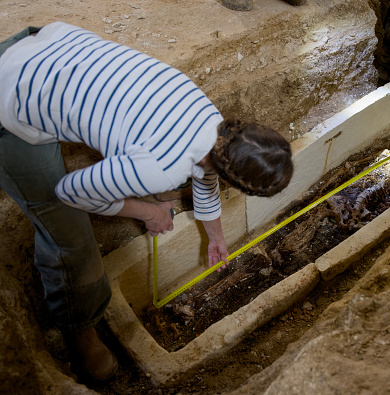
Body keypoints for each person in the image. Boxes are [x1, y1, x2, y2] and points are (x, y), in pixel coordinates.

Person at [0, 22, 293, 382]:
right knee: (69, 234)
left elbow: (207, 175)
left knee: (150, 180)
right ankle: (77, 325)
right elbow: (71, 192)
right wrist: (148, 212)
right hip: (10, 95)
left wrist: (215, 235)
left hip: (49, 45)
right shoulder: (162, 168)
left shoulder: (213, 123)